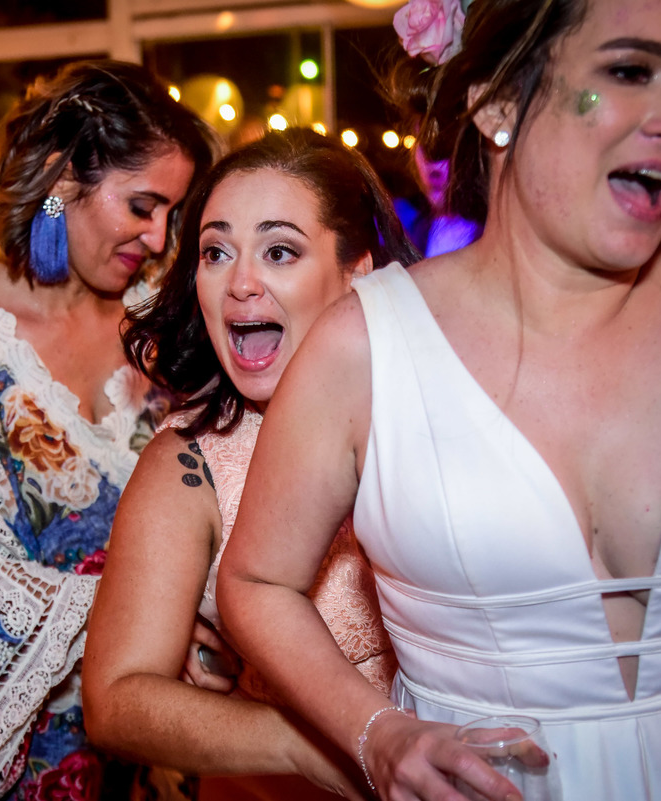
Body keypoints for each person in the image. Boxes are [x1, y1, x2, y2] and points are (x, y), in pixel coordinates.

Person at [218, 0, 661, 799]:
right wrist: (376, 732)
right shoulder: (366, 346)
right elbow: (255, 582)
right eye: (631, 71)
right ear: (498, 102)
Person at [0, 60, 217, 800]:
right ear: (63, 178)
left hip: (171, 716)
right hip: (35, 737)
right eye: (142, 205)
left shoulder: (159, 320)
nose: (158, 236)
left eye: (171, 213)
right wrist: (153, 615)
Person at [83, 128, 419, 801]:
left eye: (279, 251)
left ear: (357, 272)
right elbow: (116, 698)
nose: (240, 283)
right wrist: (316, 741)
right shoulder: (190, 462)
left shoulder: (435, 417)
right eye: (215, 252)